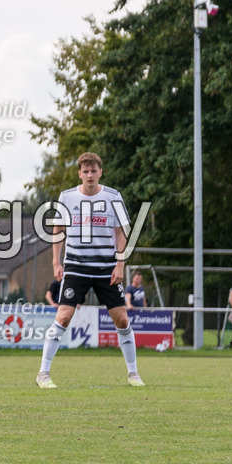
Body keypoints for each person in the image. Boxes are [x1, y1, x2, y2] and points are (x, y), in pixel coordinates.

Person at [37, 152, 144, 388]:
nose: (89, 175)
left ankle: (133, 374)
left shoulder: (113, 196)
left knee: (122, 320)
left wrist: (120, 264)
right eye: (85, 171)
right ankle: (43, 373)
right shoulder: (67, 197)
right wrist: (56, 262)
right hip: (76, 267)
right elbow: (57, 231)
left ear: (100, 172)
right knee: (63, 316)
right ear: (79, 174)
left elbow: (121, 232)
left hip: (107, 268)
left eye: (93, 170)